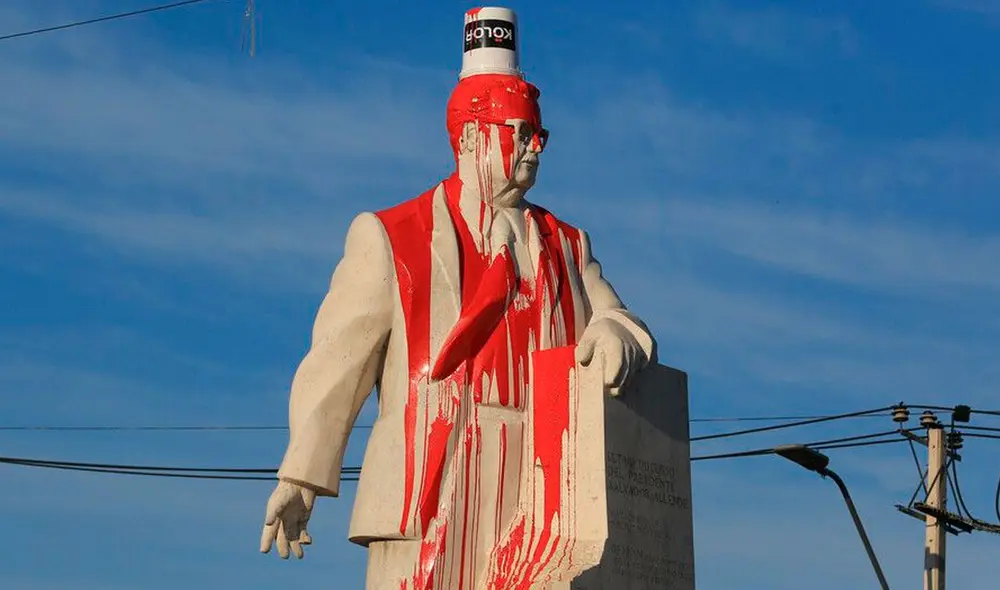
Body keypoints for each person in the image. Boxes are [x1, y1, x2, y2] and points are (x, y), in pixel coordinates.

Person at [260, 9, 656, 589]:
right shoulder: (392, 236)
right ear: (471, 136)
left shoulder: (567, 246)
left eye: (538, 135)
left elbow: (622, 319)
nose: (534, 149)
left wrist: (617, 334)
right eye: (519, 132)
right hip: (431, 480)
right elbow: (337, 360)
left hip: (538, 484)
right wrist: (300, 476)